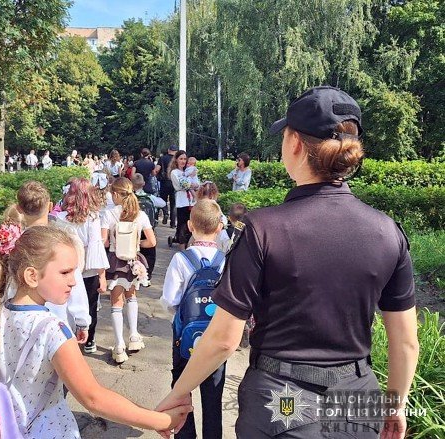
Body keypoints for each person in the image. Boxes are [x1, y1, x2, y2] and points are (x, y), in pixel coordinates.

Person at [156, 86, 419, 439]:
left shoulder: (263, 230)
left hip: (283, 399)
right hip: (357, 397)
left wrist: (179, 391)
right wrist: (396, 404)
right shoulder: (387, 232)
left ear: (294, 143)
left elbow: (223, 340)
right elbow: (406, 342)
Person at [0, 225, 192, 438]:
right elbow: (93, 398)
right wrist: (159, 420)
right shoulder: (52, 331)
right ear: (32, 276)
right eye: (65, 272)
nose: (73, 281)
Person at [160, 199, 227, 439]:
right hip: (216, 338)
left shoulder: (181, 259)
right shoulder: (225, 261)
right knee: (213, 397)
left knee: (181, 391)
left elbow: (170, 300)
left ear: (190, 226)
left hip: (184, 337)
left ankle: (185, 434)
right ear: (219, 227)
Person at [16, 181, 91, 343]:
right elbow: (74, 283)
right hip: (57, 325)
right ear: (50, 206)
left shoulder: (11, 243)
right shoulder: (61, 242)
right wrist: (82, 320)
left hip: (20, 325)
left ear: (19, 209)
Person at [101, 177, 156, 364]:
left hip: (115, 261)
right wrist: (136, 244)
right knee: (131, 296)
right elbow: (152, 242)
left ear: (116, 194)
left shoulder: (109, 214)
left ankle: (119, 345)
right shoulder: (141, 215)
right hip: (134, 261)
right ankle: (133, 335)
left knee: (116, 302)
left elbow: (104, 242)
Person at [53, 178, 109, 354]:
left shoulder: (59, 218)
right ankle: (89, 339)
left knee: (67, 303)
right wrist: (102, 276)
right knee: (90, 305)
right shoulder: (92, 218)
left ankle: (67, 339)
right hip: (88, 268)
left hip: (66, 266)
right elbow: (96, 245)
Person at [131, 173, 166, 282]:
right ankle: (147, 274)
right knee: (150, 252)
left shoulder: (130, 198)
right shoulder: (150, 197)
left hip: (133, 229)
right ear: (144, 184)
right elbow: (163, 203)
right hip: (147, 228)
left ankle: (133, 273)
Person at [169, 150, 198, 250]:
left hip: (192, 201)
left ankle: (190, 244)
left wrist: (194, 184)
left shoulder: (188, 171)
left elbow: (197, 183)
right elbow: (182, 185)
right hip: (182, 201)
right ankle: (182, 246)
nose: (183, 161)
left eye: (185, 159)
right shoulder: (175, 172)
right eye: (181, 159)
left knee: (191, 224)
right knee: (182, 224)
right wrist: (191, 184)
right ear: (176, 160)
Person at [195, 181, 230, 252]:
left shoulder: (198, 204)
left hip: (199, 232)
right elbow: (223, 220)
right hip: (211, 233)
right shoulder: (214, 204)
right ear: (214, 192)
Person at [155, 145, 178, 227]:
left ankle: (165, 213)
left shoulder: (162, 158)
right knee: (173, 204)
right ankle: (173, 223)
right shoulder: (177, 159)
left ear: (169, 150)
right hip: (174, 183)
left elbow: (157, 169)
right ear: (176, 151)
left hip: (164, 182)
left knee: (162, 201)